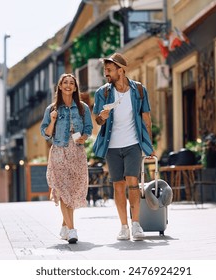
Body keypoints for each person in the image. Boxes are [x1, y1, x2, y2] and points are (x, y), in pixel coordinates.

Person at [92, 53, 154, 241]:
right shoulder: (102, 93)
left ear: (121, 70)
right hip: (112, 146)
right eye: (105, 71)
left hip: (133, 144)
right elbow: (98, 121)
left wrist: (149, 145)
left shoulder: (139, 90)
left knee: (133, 183)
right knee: (118, 186)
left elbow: (146, 119)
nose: (106, 74)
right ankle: (124, 227)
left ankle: (136, 224)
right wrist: (102, 116)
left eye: (109, 70)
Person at [40, 73, 93, 244]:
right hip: (59, 151)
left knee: (72, 189)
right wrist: (53, 120)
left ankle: (65, 225)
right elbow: (46, 134)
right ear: (60, 86)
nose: (69, 85)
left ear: (75, 87)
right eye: (65, 83)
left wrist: (84, 137)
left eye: (72, 83)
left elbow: (88, 128)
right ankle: (72, 230)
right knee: (63, 190)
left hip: (76, 152)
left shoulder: (82, 107)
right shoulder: (52, 109)